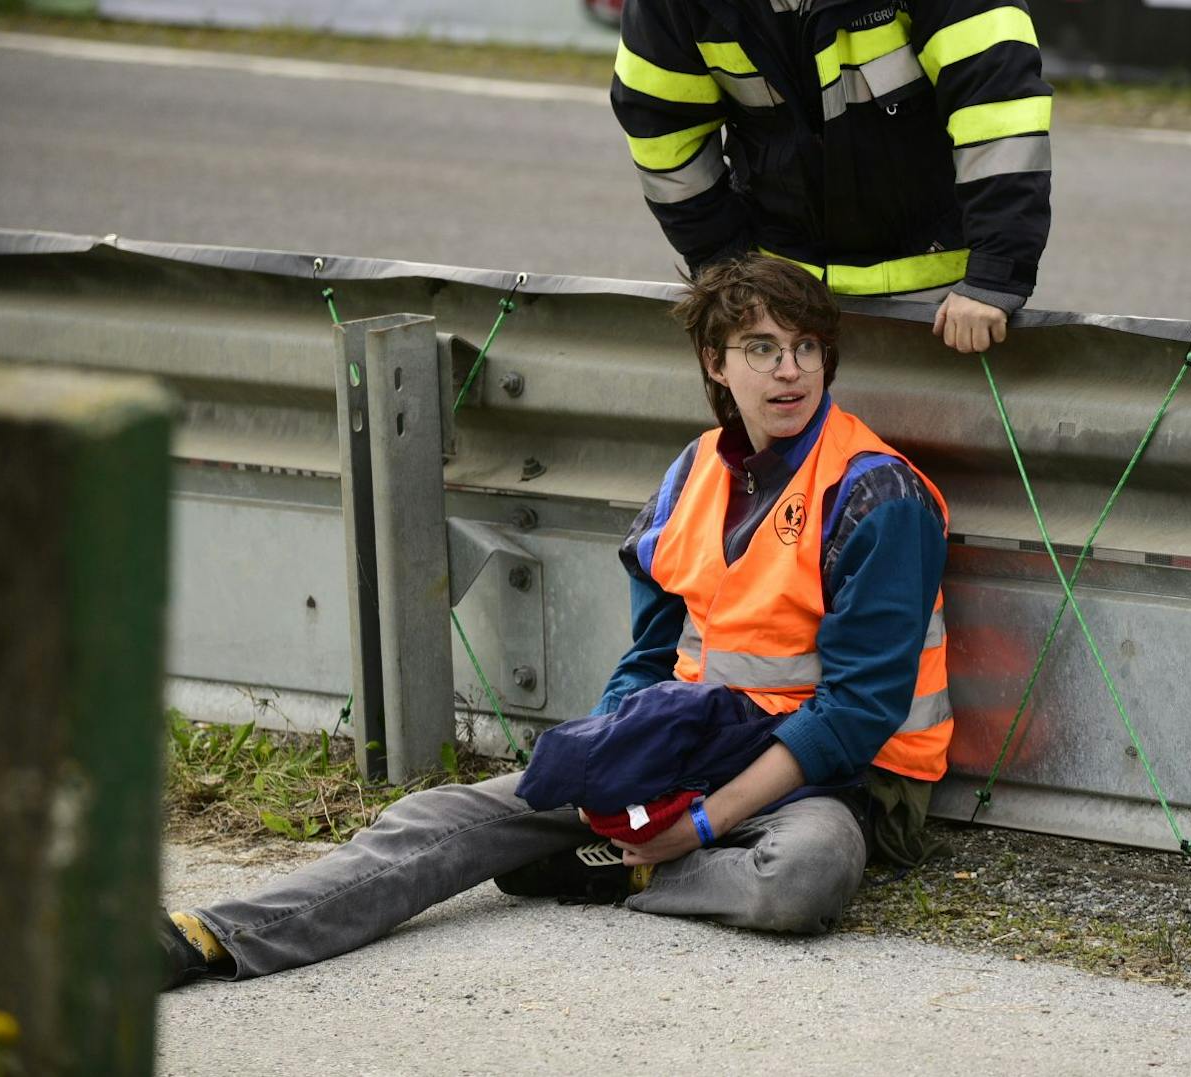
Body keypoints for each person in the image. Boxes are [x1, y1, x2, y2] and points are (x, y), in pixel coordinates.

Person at [159, 255, 954, 988]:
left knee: (804, 874)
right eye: (761, 347)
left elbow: (854, 715)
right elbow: (648, 659)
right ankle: (210, 937)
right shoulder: (693, 472)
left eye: (807, 347)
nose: (790, 370)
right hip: (694, 744)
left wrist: (699, 822)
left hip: (830, 780)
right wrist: (614, 762)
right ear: (716, 362)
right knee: (442, 817)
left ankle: (623, 867)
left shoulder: (877, 494)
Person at [611, 0, 1053, 355]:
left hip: (939, 307)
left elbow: (999, 111)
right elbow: (663, 134)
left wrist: (995, 273)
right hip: (779, 301)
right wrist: (727, 269)